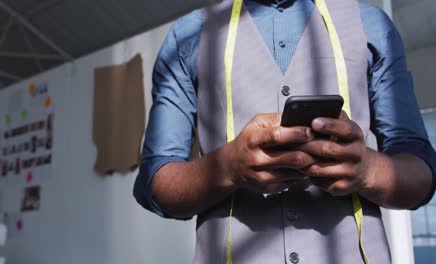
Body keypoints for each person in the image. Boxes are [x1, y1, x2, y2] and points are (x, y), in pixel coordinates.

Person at [134, 0, 436, 263]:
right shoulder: (188, 36)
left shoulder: (371, 26)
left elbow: (421, 174)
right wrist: (227, 169)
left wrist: (367, 169)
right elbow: (156, 182)